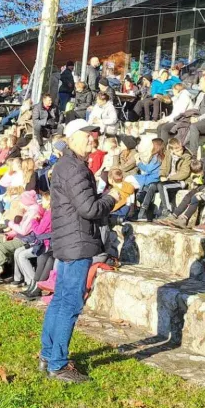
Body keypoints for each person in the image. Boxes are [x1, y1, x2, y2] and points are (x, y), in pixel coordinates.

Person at [39, 119, 122, 383]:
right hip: (77, 242)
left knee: (61, 299)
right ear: (73, 137)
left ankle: (48, 354)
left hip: (68, 240)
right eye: (87, 135)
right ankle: (59, 364)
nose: (93, 138)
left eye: (94, 135)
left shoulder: (67, 165)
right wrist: (115, 196)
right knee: (70, 302)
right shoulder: (74, 168)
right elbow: (90, 209)